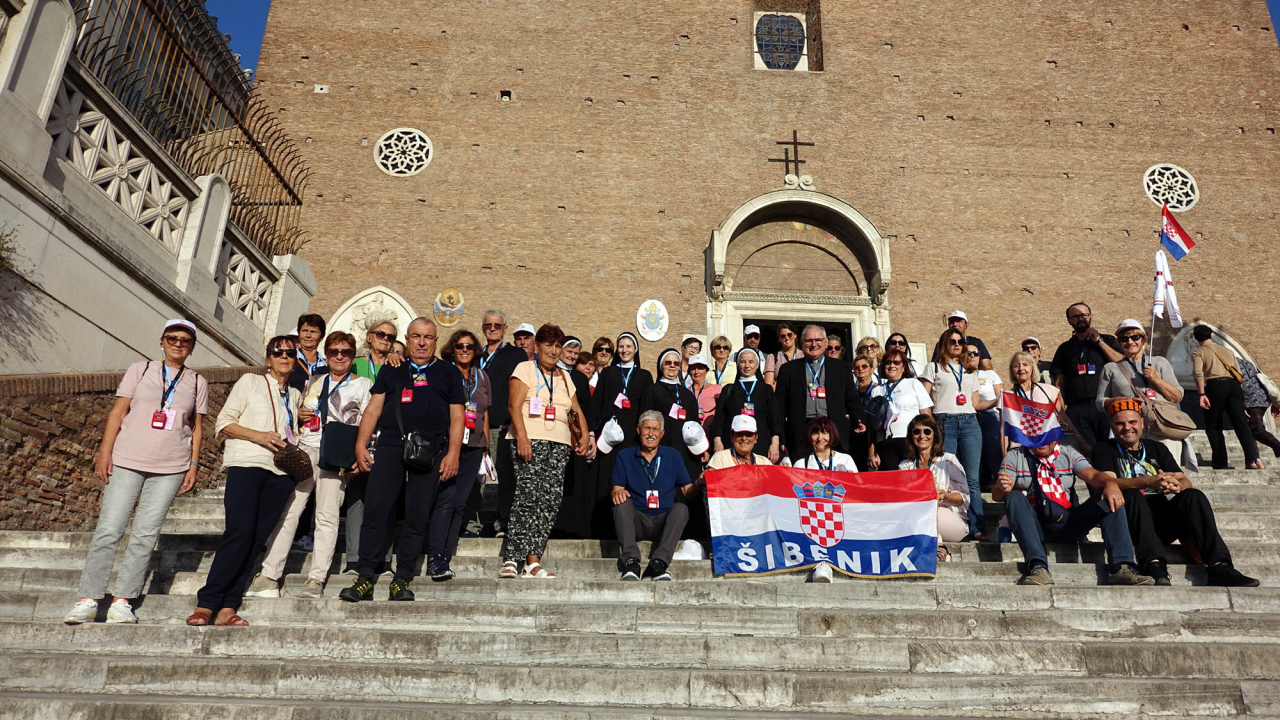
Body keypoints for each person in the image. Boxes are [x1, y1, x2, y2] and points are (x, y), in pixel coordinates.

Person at [65, 320, 208, 625]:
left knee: (145, 534)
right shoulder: (140, 370)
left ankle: (123, 600)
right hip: (127, 458)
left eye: (185, 340)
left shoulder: (198, 382)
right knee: (109, 528)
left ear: (192, 347)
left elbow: (196, 428)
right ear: (162, 341)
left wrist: (194, 465)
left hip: (171, 465)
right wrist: (105, 452)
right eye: (172, 338)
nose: (178, 343)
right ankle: (89, 598)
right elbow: (118, 412)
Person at [339, 318, 465, 603]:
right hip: (391, 447)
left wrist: (453, 453)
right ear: (406, 340)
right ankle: (365, 577)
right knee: (376, 511)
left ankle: (402, 579)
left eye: (428, 337)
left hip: (430, 452)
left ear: (435, 341)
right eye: (416, 336)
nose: (422, 342)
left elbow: (458, 415)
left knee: (417, 516)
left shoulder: (448, 372)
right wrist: (360, 444)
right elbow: (374, 409)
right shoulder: (393, 368)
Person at [247, 332, 372, 598]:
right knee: (290, 510)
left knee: (327, 515)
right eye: (334, 351)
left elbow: (368, 423)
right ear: (326, 355)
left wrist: (359, 455)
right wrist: (301, 415)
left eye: (346, 352)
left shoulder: (363, 385)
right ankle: (269, 574)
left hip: (337, 455)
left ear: (353, 357)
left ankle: (316, 579)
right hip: (306, 448)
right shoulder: (314, 381)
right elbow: (295, 417)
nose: (340, 356)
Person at [187, 336, 300, 626]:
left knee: (256, 540)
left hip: (280, 474)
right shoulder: (250, 382)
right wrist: (260, 436)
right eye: (278, 352)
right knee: (239, 532)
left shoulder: (295, 395)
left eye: (290, 353)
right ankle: (207, 602)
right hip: (247, 464)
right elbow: (224, 423)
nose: (284, 356)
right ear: (268, 358)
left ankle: (229, 606)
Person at [1092, 398, 1259, 587]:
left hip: (1161, 520)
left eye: (1132, 422)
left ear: (1142, 423)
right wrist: (1150, 481)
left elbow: (1184, 480)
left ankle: (1219, 566)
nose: (1127, 428)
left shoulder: (1156, 448)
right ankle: (1154, 564)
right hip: (1131, 522)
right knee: (1131, 494)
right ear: (1112, 426)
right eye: (1120, 424)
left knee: (1193, 496)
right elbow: (1109, 483)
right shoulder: (1104, 449)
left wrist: (1176, 486)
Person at [993, 438, 1152, 587]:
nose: (1041, 440)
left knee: (1109, 495)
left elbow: (1093, 475)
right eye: (1036, 435)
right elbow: (996, 496)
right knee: (1013, 497)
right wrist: (1002, 487)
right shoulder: (1015, 456)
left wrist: (1110, 484)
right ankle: (1038, 566)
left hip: (1068, 522)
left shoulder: (1067, 452)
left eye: (1046, 435)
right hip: (1036, 526)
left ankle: (1121, 565)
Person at [500, 324, 592, 578]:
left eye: (558, 346)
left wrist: (585, 435)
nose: (553, 351)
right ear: (537, 346)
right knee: (527, 496)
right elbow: (513, 406)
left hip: (559, 444)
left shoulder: (564, 376)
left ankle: (533, 560)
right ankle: (512, 558)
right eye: (549, 345)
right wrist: (522, 438)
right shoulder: (525, 368)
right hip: (530, 439)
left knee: (549, 501)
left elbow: (576, 410)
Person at [428, 328, 492, 578]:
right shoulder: (444, 372)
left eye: (469, 346)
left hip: (474, 446)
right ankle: (434, 556)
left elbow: (484, 411)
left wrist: (485, 443)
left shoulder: (482, 376)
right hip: (448, 445)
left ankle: (445, 556)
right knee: (445, 499)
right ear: (452, 350)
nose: (465, 350)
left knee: (459, 503)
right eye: (460, 346)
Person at [921, 328, 987, 539]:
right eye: (952, 341)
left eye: (960, 341)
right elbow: (923, 399)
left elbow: (976, 403)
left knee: (972, 478)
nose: (957, 344)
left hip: (970, 422)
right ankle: (947, 522)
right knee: (945, 475)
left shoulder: (970, 371)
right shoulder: (933, 367)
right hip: (944, 421)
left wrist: (998, 400)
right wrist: (931, 425)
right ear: (944, 344)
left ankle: (977, 528)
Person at [611, 410, 693, 581]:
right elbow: (616, 489)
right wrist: (618, 492)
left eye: (655, 429)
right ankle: (631, 562)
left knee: (681, 509)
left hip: (663, 521)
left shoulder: (673, 455)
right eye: (647, 428)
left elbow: (688, 491)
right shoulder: (625, 456)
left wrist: (701, 484)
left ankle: (658, 564)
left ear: (662, 434)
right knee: (621, 503)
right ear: (638, 430)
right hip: (637, 521)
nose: (650, 433)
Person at [588, 332, 654, 536]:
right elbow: (597, 404)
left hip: (632, 438)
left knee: (629, 480)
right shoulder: (608, 373)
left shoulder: (644, 376)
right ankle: (603, 528)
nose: (624, 350)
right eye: (621, 346)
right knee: (606, 480)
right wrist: (592, 433)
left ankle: (628, 527)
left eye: (628, 346)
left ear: (636, 350)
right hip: (608, 436)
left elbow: (647, 408)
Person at [1094, 320, 1187, 461]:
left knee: (1168, 471)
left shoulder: (1160, 362)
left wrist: (1156, 379)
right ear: (1119, 343)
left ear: (1143, 340)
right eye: (1124, 339)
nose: (1130, 342)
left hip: (1162, 428)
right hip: (1129, 430)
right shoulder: (1111, 368)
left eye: (1135, 337)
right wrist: (1123, 400)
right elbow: (1100, 402)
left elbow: (1177, 396)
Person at [776, 325, 865, 463]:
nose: (814, 344)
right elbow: (780, 407)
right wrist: (780, 437)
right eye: (809, 340)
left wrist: (859, 419)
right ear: (801, 343)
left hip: (833, 428)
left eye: (818, 340)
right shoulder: (788, 370)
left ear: (826, 342)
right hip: (801, 431)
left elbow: (852, 399)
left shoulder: (842, 368)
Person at [478, 310, 529, 536]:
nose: (492, 329)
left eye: (497, 326)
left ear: (505, 329)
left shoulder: (515, 354)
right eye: (488, 325)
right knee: (476, 477)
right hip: (475, 424)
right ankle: (475, 524)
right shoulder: (475, 354)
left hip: (502, 424)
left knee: (503, 477)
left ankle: (504, 523)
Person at [1050, 301, 1124, 457]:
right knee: (1088, 454)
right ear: (1069, 321)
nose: (1081, 319)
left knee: (1113, 452)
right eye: (1076, 316)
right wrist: (1062, 413)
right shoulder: (1064, 349)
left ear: (1091, 317)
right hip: (1078, 411)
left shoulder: (1108, 340)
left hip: (1106, 406)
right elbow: (1059, 384)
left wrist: (1099, 341)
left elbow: (1123, 364)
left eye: (1084, 315)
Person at [789, 416, 857, 582]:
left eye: (825, 433)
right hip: (812, 519)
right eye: (815, 433)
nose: (820, 438)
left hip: (841, 517)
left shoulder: (845, 460)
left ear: (832, 435)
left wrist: (851, 481)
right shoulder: (801, 464)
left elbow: (857, 492)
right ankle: (821, 565)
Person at [1191, 325, 1262, 470]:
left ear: (1196, 338)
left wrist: (1202, 394)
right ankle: (1252, 460)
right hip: (1234, 386)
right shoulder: (1228, 351)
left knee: (1214, 425)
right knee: (1242, 424)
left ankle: (1220, 462)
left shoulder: (1199, 352)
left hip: (1215, 385)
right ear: (1211, 335)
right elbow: (1239, 374)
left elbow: (1198, 373)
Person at [899, 415, 968, 561]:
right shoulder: (905, 466)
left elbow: (964, 498)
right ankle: (937, 543)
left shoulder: (948, 460)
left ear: (935, 435)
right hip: (915, 518)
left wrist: (945, 496)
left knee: (929, 506)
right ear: (911, 436)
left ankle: (938, 546)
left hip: (948, 518)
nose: (922, 436)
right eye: (916, 431)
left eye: (927, 431)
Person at [641, 348, 709, 482]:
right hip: (663, 447)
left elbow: (696, 423)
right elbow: (644, 420)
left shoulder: (688, 394)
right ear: (661, 366)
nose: (672, 366)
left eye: (676, 363)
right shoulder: (652, 390)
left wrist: (702, 448)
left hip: (687, 451)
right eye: (668, 363)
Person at [554, 336, 598, 539]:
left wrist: (590, 435)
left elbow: (588, 409)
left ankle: (574, 527)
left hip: (575, 437)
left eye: (575, 353)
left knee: (575, 480)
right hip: (555, 433)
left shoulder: (580, 378)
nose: (572, 356)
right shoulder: (552, 373)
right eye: (569, 351)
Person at [710, 348, 783, 464]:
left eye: (751, 362)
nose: (747, 366)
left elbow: (774, 419)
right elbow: (719, 419)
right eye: (743, 362)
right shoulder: (729, 390)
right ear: (738, 365)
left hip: (760, 443)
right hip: (733, 444)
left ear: (757, 365)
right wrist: (717, 441)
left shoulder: (766, 390)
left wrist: (775, 443)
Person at [867, 349, 932, 471]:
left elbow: (926, 416)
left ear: (904, 366)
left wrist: (929, 445)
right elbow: (872, 426)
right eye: (888, 362)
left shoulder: (914, 383)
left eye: (896, 363)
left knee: (911, 478)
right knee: (892, 479)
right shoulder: (877, 391)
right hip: (885, 442)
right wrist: (872, 451)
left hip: (911, 440)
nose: (892, 366)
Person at [1003, 350, 1063, 455]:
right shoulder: (1007, 396)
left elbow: (1062, 420)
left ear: (1032, 368)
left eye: (1025, 364)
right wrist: (1005, 457)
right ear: (1012, 370)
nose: (1021, 368)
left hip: (1045, 448)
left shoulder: (1049, 390)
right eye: (1016, 366)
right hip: (1019, 450)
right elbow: (1004, 431)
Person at [970, 342, 1005, 491]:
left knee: (992, 449)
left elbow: (1002, 396)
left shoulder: (990, 374)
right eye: (968, 353)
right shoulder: (960, 376)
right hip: (970, 417)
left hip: (991, 415)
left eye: (975, 353)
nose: (972, 356)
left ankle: (996, 482)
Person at [1240, 357, 1280, 459]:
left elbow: (1237, 384)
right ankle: (1254, 459)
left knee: (1257, 430)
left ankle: (1277, 446)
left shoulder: (1231, 362)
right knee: (1250, 429)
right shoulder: (1246, 362)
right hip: (1263, 397)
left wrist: (1239, 405)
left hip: (1251, 399)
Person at [707, 414, 771, 469]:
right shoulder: (720, 458)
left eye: (748, 434)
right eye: (739, 434)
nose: (744, 438)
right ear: (732, 436)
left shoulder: (764, 463)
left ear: (756, 438)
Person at [850, 353, 881, 466]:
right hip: (856, 437)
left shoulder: (879, 389)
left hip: (874, 435)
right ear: (854, 372)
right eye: (857, 367)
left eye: (864, 366)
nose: (860, 369)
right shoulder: (851, 392)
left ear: (872, 369)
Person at [289, 313, 328, 391]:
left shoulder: (327, 367)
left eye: (313, 332)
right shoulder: (289, 359)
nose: (308, 335)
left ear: (321, 337)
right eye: (304, 331)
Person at [687, 354, 720, 437]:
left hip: (711, 436)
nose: (696, 372)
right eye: (693, 369)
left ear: (706, 370)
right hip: (691, 436)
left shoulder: (717, 389)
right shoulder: (685, 392)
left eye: (700, 368)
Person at [764, 322, 801, 387]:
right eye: (783, 336)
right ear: (779, 339)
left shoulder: (804, 355)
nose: (787, 338)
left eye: (789, 334)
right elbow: (768, 385)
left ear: (795, 335)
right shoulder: (773, 358)